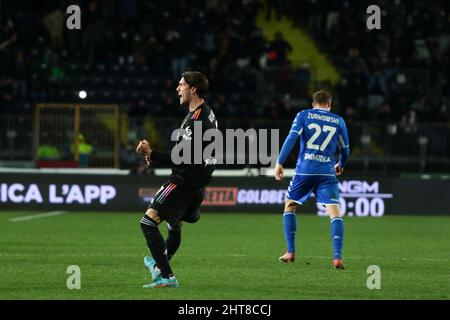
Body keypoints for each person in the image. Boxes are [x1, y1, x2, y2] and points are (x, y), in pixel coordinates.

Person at [136, 71, 218, 288]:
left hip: (183, 182)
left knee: (148, 221)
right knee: (174, 225)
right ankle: (159, 265)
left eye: (181, 85)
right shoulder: (206, 113)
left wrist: (151, 153)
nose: (177, 88)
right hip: (196, 185)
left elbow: (181, 157)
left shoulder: (196, 120)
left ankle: (166, 274)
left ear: (193, 89)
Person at [274, 90, 350, 269]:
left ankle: (290, 251)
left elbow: (291, 138)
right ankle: (337, 256)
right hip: (326, 173)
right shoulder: (338, 121)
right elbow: (346, 150)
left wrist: (279, 162)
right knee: (335, 214)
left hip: (305, 172)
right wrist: (340, 164)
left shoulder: (304, 115)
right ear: (329, 105)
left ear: (313, 104)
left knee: (290, 205)